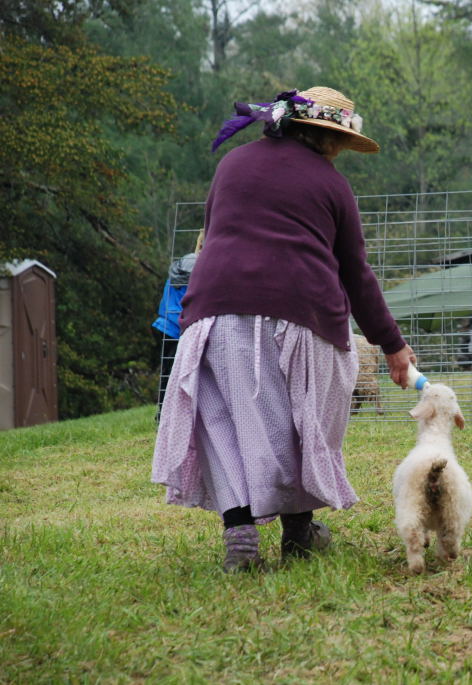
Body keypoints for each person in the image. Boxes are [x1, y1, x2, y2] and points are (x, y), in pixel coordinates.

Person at [152, 86, 416, 572]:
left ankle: (241, 535)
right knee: (305, 417)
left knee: (224, 422)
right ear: (325, 136)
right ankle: (298, 533)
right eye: (340, 140)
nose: (340, 150)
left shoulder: (232, 164)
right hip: (300, 311)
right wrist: (393, 346)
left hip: (215, 309)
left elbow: (212, 236)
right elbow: (356, 274)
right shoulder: (331, 183)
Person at [152, 252, 197, 421]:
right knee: (172, 375)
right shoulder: (195, 270)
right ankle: (163, 415)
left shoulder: (178, 267)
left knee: (168, 374)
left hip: (162, 325)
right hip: (175, 329)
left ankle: (164, 413)